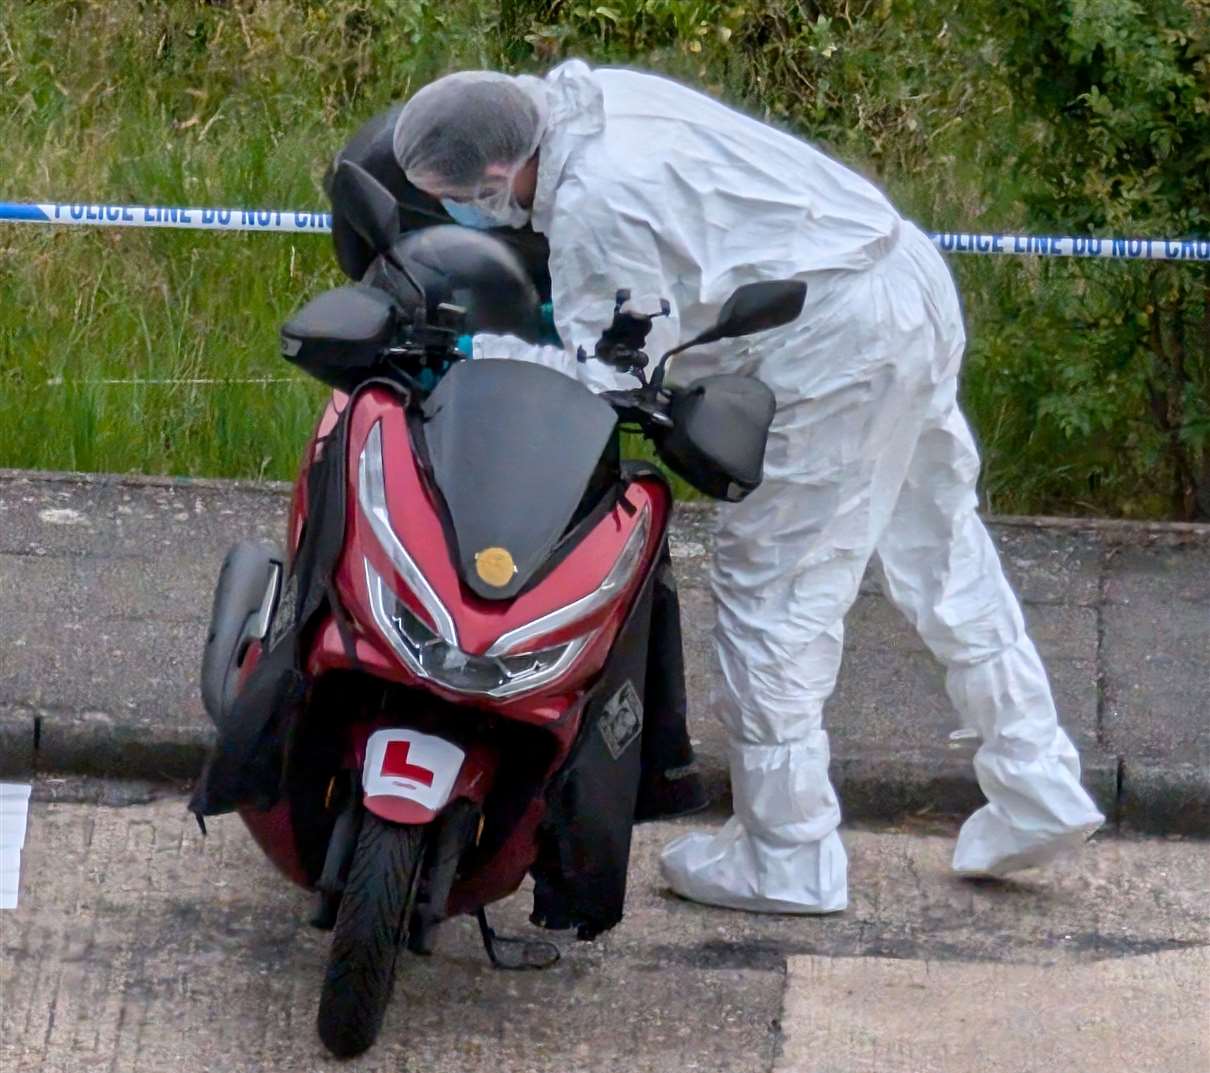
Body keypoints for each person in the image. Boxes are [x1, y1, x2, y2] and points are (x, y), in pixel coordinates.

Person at [389, 60, 1106, 913]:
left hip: (833, 344)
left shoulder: (592, 206)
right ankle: (1038, 786)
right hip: (900, 274)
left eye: (465, 195)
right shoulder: (597, 97)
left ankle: (787, 854)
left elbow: (601, 373)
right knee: (942, 547)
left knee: (771, 598)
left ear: (499, 176)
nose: (470, 211)